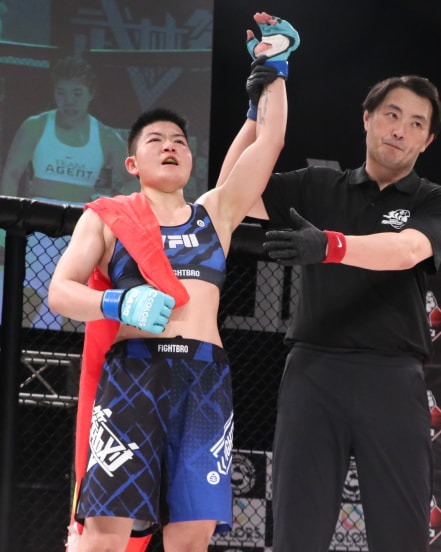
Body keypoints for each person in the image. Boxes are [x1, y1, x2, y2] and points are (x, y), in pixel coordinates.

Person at [47, 13, 298, 552]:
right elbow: (60, 292)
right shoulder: (108, 218)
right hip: (133, 375)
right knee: (105, 536)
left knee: (190, 539)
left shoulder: (216, 214)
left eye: (179, 141)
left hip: (203, 381)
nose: (170, 146)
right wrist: (120, 303)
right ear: (132, 162)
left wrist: (274, 67)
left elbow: (270, 141)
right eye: (156, 140)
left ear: (190, 157)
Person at [219, 48, 441, 548]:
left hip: (392, 377)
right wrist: (255, 116)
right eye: (391, 115)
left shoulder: (433, 199)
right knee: (296, 534)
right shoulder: (317, 185)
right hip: (314, 372)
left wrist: (331, 246)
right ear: (367, 118)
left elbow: (408, 250)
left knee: (401, 537)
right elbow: (229, 195)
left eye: (416, 124)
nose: (400, 130)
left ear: (428, 140)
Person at [0, 56, 136, 329]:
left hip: (80, 231)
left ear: (90, 94)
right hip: (35, 231)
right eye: (61, 92)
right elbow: (11, 175)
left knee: (75, 309)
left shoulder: (106, 135)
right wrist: (4, 232)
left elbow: (135, 180)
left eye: (76, 93)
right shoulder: (35, 126)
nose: (68, 101)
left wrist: (108, 205)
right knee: (24, 304)